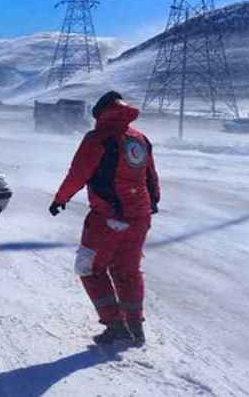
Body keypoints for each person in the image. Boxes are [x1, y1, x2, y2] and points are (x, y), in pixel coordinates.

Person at [49, 91, 160, 346]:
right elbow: (151, 177)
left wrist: (60, 199)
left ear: (99, 112)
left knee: (88, 267)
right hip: (139, 217)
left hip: (108, 217)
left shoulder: (98, 138)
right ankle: (135, 327)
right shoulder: (139, 138)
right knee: (128, 271)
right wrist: (152, 203)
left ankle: (114, 324)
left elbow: (78, 173)